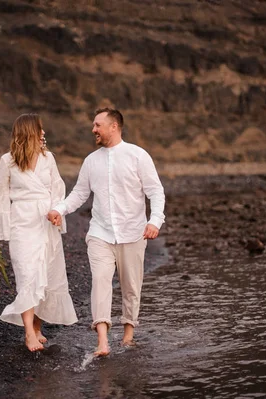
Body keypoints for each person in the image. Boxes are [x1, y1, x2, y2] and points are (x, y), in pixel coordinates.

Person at [47, 108, 165, 356]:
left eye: (98, 125)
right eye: (93, 125)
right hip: (100, 233)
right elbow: (79, 193)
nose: (93, 130)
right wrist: (60, 209)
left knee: (131, 286)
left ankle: (128, 335)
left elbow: (155, 191)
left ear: (114, 126)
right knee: (100, 281)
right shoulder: (91, 160)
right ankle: (102, 340)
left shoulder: (138, 156)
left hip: (133, 233)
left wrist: (155, 221)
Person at [0, 113, 78, 352]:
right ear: (30, 132)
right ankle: (28, 333)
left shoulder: (49, 159)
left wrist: (57, 211)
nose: (43, 133)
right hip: (22, 222)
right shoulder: (7, 161)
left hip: (46, 222)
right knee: (28, 275)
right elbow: (1, 198)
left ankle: (37, 328)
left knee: (45, 277)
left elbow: (58, 188)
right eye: (40, 129)